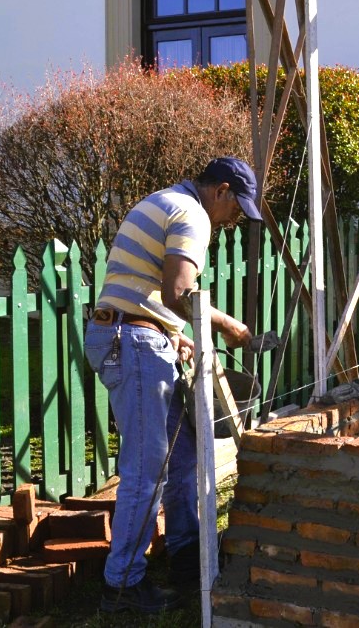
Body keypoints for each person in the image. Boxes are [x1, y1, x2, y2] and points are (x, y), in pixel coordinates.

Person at [85, 156, 262, 614]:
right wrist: (228, 327)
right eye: (236, 207)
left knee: (181, 458)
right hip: (134, 343)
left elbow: (140, 289)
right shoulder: (192, 214)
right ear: (220, 190)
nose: (233, 219)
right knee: (147, 472)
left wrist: (172, 334)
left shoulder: (166, 201)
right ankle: (121, 589)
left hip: (137, 335)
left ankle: (187, 556)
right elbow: (179, 293)